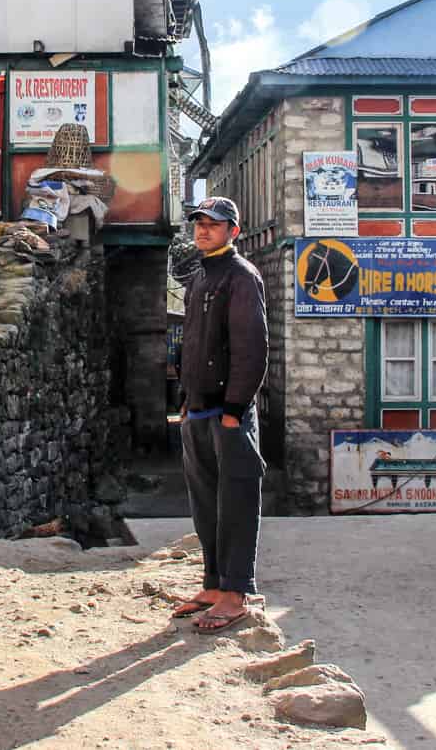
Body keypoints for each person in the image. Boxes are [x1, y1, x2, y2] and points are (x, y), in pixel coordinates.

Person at [173, 196, 268, 633]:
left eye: (214, 224)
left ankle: (234, 594)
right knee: (205, 503)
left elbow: (252, 350)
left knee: (236, 503)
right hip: (197, 409)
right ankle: (212, 584)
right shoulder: (200, 276)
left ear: (234, 229)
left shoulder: (241, 277)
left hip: (228, 414)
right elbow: (190, 342)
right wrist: (186, 400)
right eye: (200, 223)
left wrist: (234, 411)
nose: (204, 230)